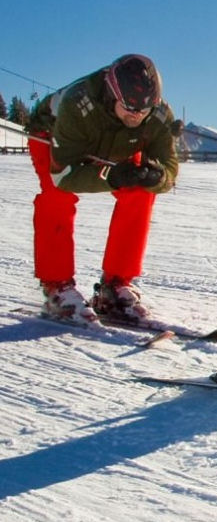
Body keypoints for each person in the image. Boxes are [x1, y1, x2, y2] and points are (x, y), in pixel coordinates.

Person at [26, 54, 178, 324]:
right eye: (129, 108)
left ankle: (115, 285)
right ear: (111, 95)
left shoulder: (157, 115)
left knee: (141, 191)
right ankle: (56, 287)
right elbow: (63, 176)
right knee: (56, 197)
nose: (136, 116)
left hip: (114, 140)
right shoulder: (76, 103)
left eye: (142, 111)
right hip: (55, 137)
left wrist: (156, 176)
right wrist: (111, 175)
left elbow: (169, 168)